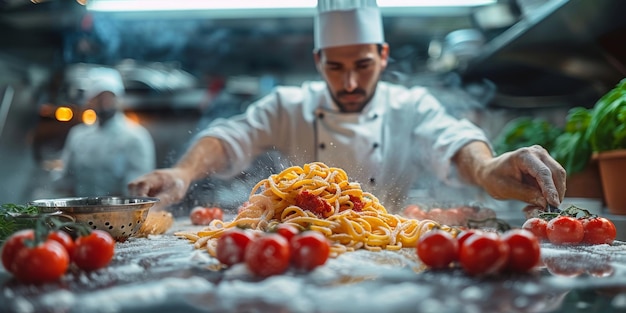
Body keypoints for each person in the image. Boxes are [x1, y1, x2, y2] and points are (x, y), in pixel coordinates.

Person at [128, 0, 566, 213]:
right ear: (318, 61)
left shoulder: (410, 105)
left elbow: (454, 141)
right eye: (335, 67)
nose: (350, 81)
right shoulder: (289, 104)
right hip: (302, 252)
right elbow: (230, 136)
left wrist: (489, 171)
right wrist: (183, 172)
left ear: (384, 56)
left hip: (388, 253)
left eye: (362, 65)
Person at [55, 66, 156, 197]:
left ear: (118, 99)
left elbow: (139, 190)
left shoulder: (136, 137)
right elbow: (66, 180)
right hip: (80, 214)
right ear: (90, 101)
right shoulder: (77, 136)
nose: (104, 103)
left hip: (120, 215)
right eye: (99, 97)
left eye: (109, 97)